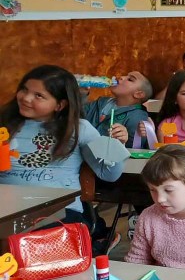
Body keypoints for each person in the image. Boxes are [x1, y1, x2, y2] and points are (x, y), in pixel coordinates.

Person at [0, 65, 125, 247]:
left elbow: (109, 174)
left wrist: (115, 146)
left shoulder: (79, 128)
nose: (26, 98)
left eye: (38, 95)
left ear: (60, 105)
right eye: (24, 90)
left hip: (58, 212)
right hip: (8, 210)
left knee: (20, 243)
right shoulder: (5, 125)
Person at [82, 71, 153, 147]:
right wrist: (82, 94)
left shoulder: (137, 116)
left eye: (130, 79)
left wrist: (123, 140)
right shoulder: (101, 102)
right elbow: (77, 114)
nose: (121, 77)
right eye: (125, 75)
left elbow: (135, 148)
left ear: (138, 94)